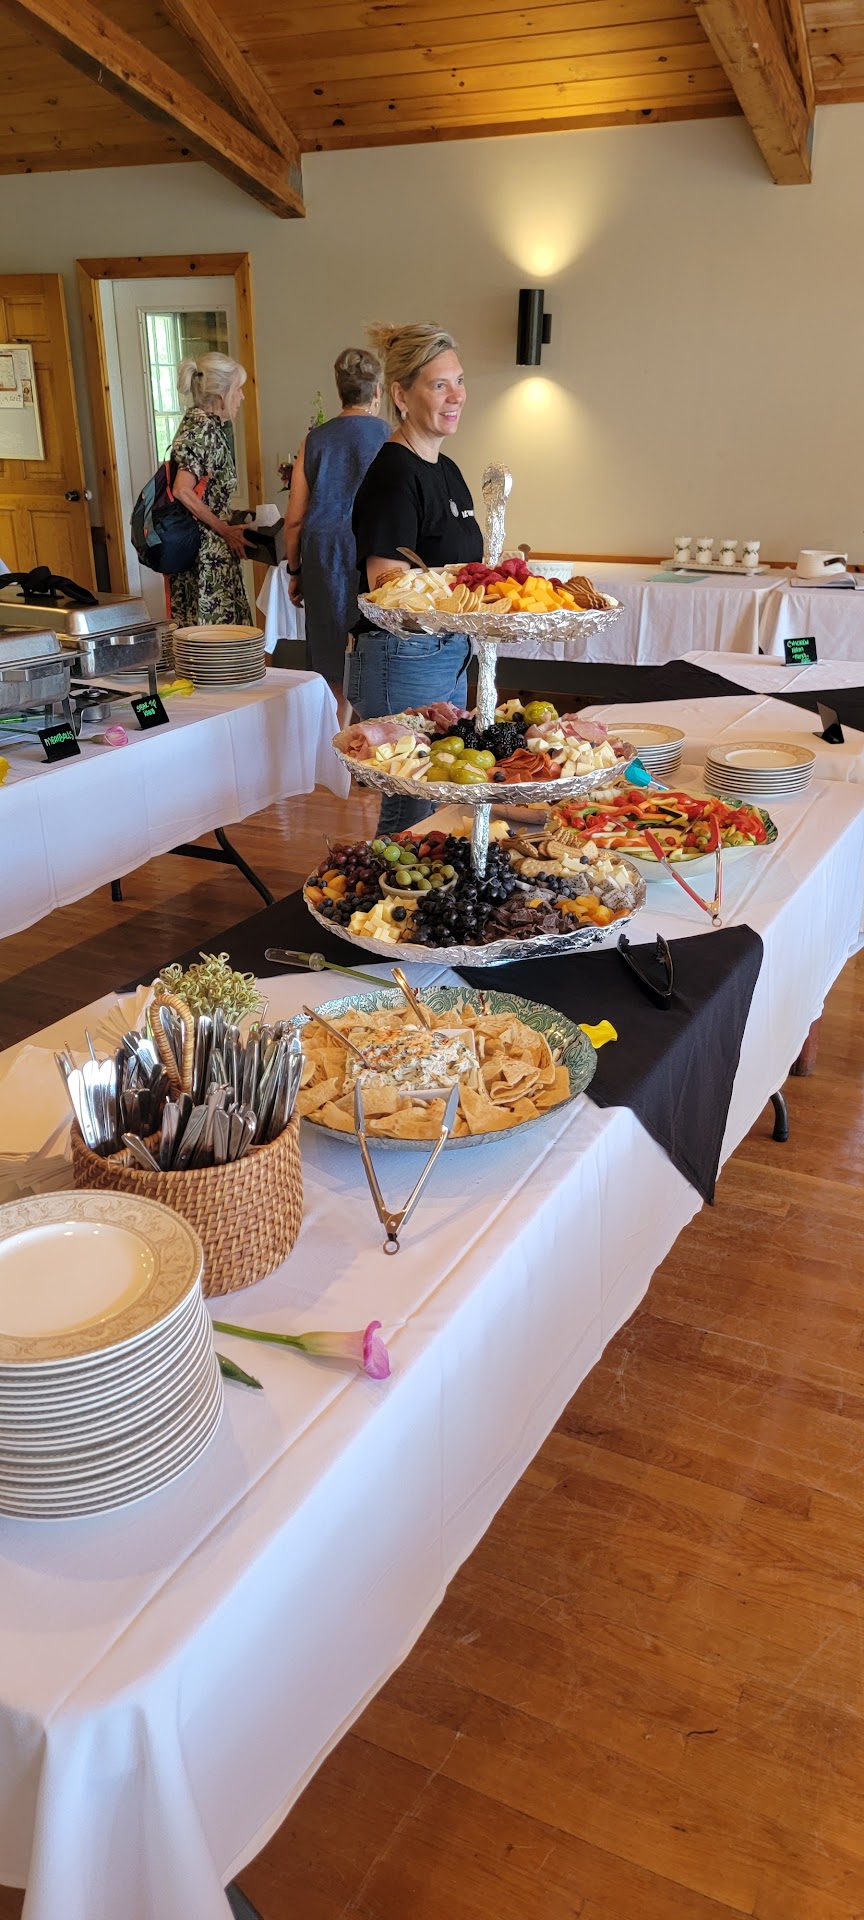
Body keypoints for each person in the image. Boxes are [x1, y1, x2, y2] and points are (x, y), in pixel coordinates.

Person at [349, 322, 483, 833]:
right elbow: (387, 585)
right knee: (411, 805)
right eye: (439, 385)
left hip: (447, 652)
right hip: (401, 656)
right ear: (402, 396)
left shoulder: (447, 470)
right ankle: (388, 887)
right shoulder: (393, 474)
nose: (456, 396)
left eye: (459, 381)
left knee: (436, 799)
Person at [283, 349, 390, 682]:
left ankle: (335, 715)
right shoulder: (390, 436)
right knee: (375, 653)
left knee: (330, 657)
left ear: (339, 390)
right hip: (375, 554)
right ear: (377, 390)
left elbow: (294, 519)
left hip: (324, 556)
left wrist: (295, 570)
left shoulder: (315, 440)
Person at [168, 353, 252, 626]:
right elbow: (182, 490)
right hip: (206, 556)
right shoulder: (201, 429)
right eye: (238, 389)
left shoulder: (204, 426)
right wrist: (223, 528)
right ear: (222, 393)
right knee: (215, 636)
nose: (241, 397)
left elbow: (208, 492)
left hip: (208, 550)